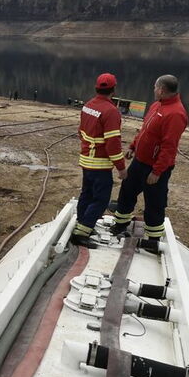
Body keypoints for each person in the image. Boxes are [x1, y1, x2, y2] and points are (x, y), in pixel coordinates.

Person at [111, 75, 189, 251]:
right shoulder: (157, 105)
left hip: (155, 168)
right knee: (127, 191)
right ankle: (120, 224)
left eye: (155, 87)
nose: (153, 90)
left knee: (154, 202)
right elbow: (146, 130)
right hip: (140, 161)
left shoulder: (176, 113)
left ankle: (153, 239)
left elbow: (169, 147)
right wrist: (133, 146)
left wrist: (157, 171)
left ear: (161, 89)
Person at [70, 73, 127, 249]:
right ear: (113, 89)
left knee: (86, 194)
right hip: (100, 163)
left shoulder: (88, 105)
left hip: (86, 159)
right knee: (101, 199)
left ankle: (82, 224)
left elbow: (81, 132)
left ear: (97, 87)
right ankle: (81, 233)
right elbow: (113, 144)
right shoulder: (111, 112)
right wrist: (121, 167)